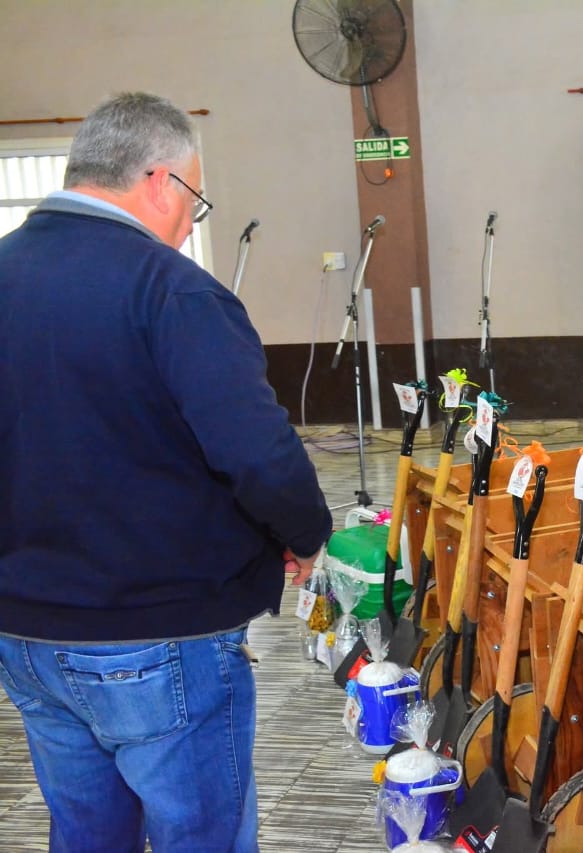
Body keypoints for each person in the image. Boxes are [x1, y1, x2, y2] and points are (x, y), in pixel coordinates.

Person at [0, 92, 332, 851]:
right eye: (194, 200)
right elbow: (256, 451)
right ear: (161, 182)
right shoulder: (172, 290)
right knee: (201, 836)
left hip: (25, 633)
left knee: (86, 834)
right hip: (158, 634)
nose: (188, 224)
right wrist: (304, 534)